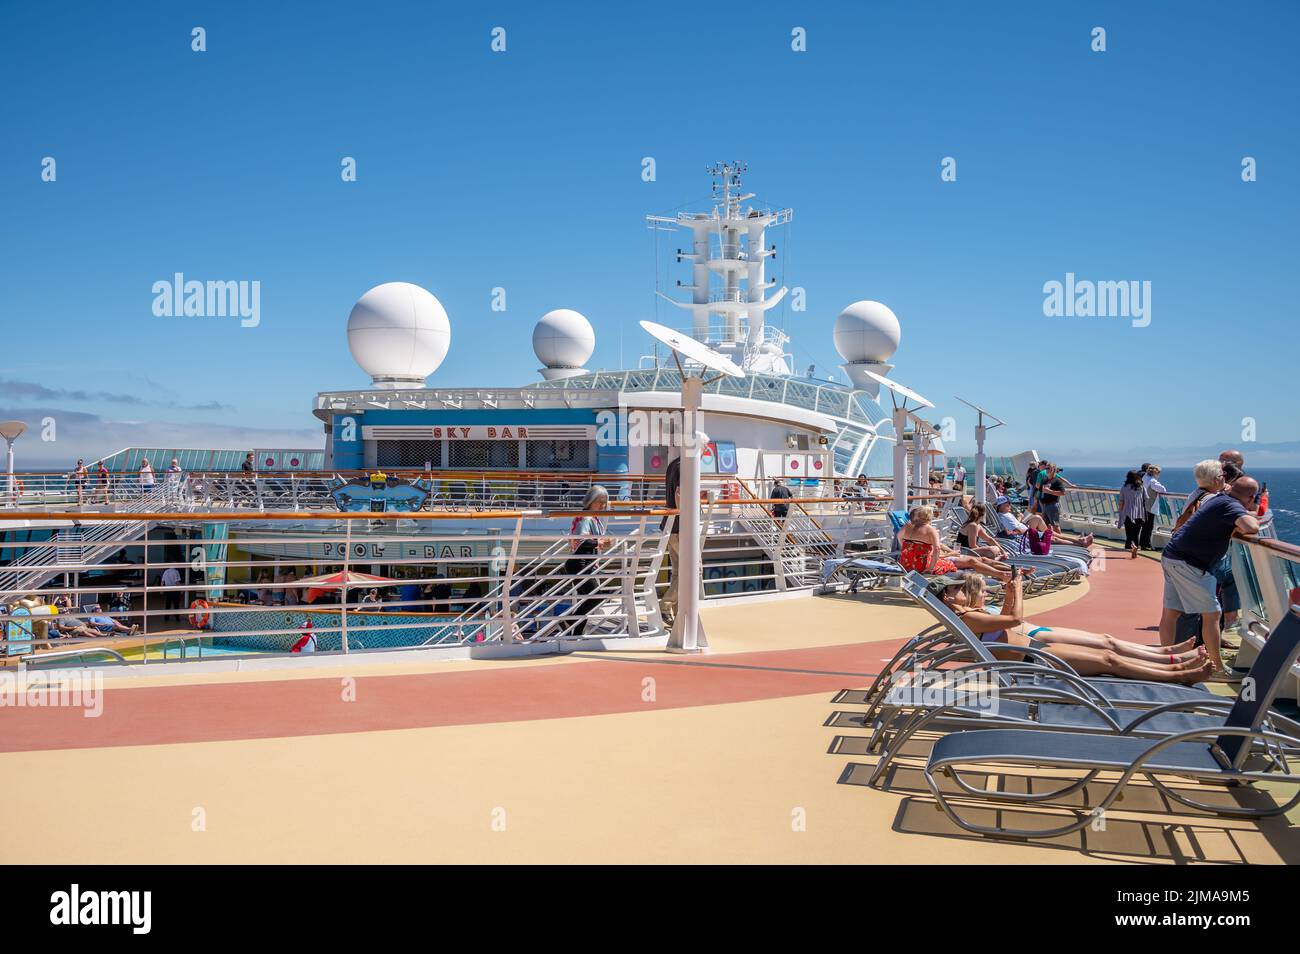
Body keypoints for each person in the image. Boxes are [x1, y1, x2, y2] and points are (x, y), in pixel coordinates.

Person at [933, 572, 1212, 683]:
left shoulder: (970, 613)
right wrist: (1016, 591)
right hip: (1031, 659)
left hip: (1037, 650)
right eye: (956, 589)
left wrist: (1009, 594)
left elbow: (1007, 619)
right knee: (1109, 659)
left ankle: (1173, 663)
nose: (960, 590)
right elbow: (1015, 620)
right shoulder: (968, 618)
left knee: (1108, 652)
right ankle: (1175, 674)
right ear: (947, 597)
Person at [1158, 476, 1260, 674]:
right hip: (1190, 563)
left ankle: (1165, 658)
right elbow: (1251, 527)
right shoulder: (1231, 505)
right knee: (1212, 614)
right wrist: (1251, 513)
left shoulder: (1219, 499)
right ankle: (1216, 668)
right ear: (1250, 497)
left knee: (1171, 612)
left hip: (1172, 555)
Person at [898, 505, 1014, 581]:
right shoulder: (930, 530)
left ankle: (1009, 571)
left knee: (977, 560)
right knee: (969, 562)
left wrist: (910, 550)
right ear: (929, 517)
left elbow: (900, 538)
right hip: (922, 566)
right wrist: (930, 568)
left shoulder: (907, 526)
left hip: (906, 564)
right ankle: (1005, 573)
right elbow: (937, 550)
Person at [563, 484, 612, 636]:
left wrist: (602, 542)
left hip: (584, 564)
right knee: (596, 596)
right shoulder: (586, 517)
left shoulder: (592, 517)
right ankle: (570, 621)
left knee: (586, 600)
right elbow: (582, 541)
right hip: (579, 564)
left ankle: (576, 633)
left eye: (604, 502)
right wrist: (600, 542)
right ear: (591, 501)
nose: (603, 506)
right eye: (600, 502)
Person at [661, 453, 681, 622]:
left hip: (670, 526)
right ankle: (666, 604)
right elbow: (679, 493)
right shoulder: (685, 465)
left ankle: (678, 615)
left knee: (678, 573)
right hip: (682, 528)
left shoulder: (673, 464)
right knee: (695, 570)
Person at [1138, 464, 1167, 550]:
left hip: (1142, 504)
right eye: (1158, 473)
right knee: (1148, 526)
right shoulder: (1152, 481)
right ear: (1155, 472)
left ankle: (1143, 544)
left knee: (1144, 526)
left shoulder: (1144, 479)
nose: (1159, 474)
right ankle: (1145, 545)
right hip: (1149, 506)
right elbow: (1163, 490)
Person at [1118, 470, 1146, 557]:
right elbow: (1145, 499)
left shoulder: (1124, 487)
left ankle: (1128, 549)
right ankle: (1135, 549)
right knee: (1136, 534)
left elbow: (1122, 501)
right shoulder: (1141, 487)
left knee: (1129, 534)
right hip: (1139, 513)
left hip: (1127, 513)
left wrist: (1120, 511)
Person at [1037, 462, 1066, 531]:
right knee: (1046, 525)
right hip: (1044, 505)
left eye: (1048, 468)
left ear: (1054, 469)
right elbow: (1040, 489)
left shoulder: (1057, 481)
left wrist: (1050, 491)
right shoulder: (1044, 479)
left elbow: (1063, 493)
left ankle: (1059, 541)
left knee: (1055, 525)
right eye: (1046, 468)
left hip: (1052, 505)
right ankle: (1051, 539)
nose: (1046, 469)